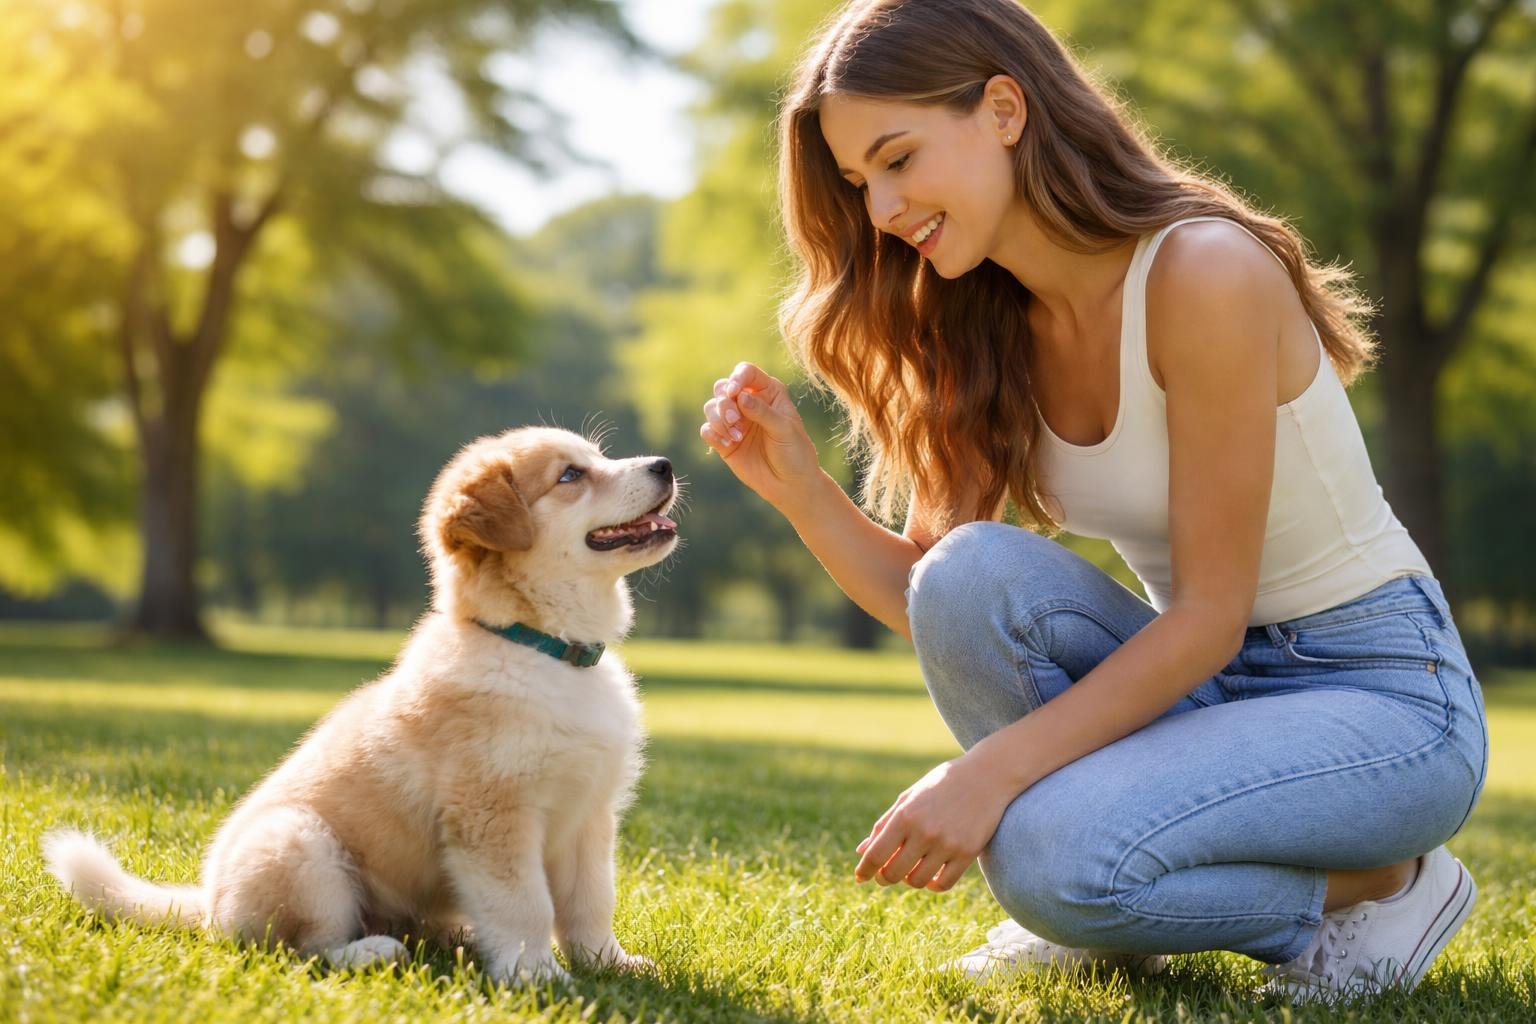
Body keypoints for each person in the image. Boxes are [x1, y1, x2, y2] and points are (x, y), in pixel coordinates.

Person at [696, 0, 1489, 1005]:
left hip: (1382, 696)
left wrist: (989, 779)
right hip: (1205, 690)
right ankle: (1132, 908)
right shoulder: (980, 321)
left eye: (898, 159)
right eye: (860, 184)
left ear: (1003, 110)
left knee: (1045, 866)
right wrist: (803, 494)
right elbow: (933, 601)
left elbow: (1208, 616)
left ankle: (1385, 885)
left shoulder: (1202, 273)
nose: (883, 210)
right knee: (970, 573)